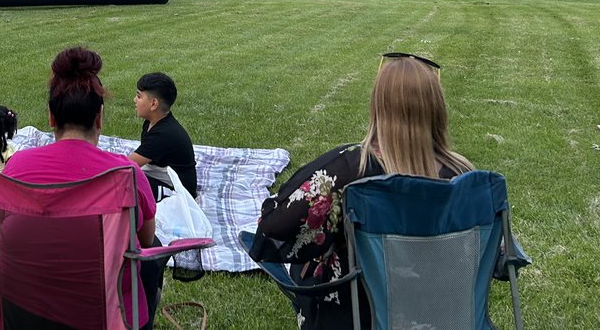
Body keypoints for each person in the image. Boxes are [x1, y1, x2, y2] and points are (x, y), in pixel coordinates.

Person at [248, 53, 474, 330]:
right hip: (438, 314)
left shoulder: (350, 169)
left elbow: (271, 230)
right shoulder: (465, 178)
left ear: (379, 106)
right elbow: (491, 258)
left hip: (357, 315)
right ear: (437, 108)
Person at [4, 47, 161, 328]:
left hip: (23, 312)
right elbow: (146, 241)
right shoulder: (128, 175)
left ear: (52, 118)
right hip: (107, 317)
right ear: (99, 119)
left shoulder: (16, 167)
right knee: (151, 255)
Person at [129, 72, 198, 199]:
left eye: (139, 96)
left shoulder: (163, 134)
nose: (134, 100)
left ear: (153, 104)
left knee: (125, 183)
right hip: (161, 175)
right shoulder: (151, 122)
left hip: (179, 191)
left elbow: (127, 165)